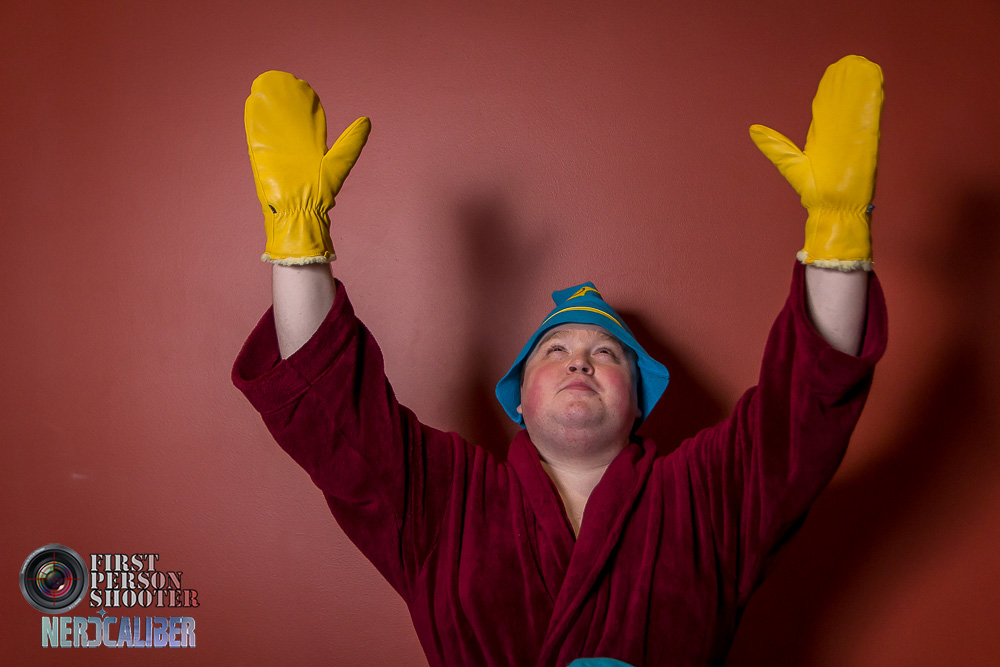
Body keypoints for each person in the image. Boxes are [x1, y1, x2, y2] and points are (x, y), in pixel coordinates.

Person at [233, 56, 887, 667]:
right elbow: (332, 408)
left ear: (638, 402)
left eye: (606, 354)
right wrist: (297, 235)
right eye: (556, 350)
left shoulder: (706, 495)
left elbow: (804, 410)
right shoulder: (444, 496)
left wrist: (836, 232)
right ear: (518, 399)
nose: (581, 363)